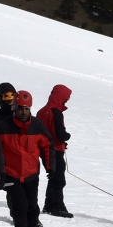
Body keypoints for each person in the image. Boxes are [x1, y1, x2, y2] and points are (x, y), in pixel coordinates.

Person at [0, 89, 52, 227]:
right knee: (20, 206)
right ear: (15, 108)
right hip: (12, 174)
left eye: (27, 109)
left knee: (32, 207)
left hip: (31, 174)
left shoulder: (37, 125)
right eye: (21, 108)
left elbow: (48, 146)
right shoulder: (3, 126)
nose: (24, 112)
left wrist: (50, 166)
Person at [39, 84, 73, 217]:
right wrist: (67, 137)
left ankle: (48, 206)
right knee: (58, 179)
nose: (67, 100)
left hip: (43, 149)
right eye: (66, 98)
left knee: (53, 177)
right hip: (55, 150)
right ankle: (58, 207)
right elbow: (60, 134)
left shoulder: (42, 111)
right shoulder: (56, 112)